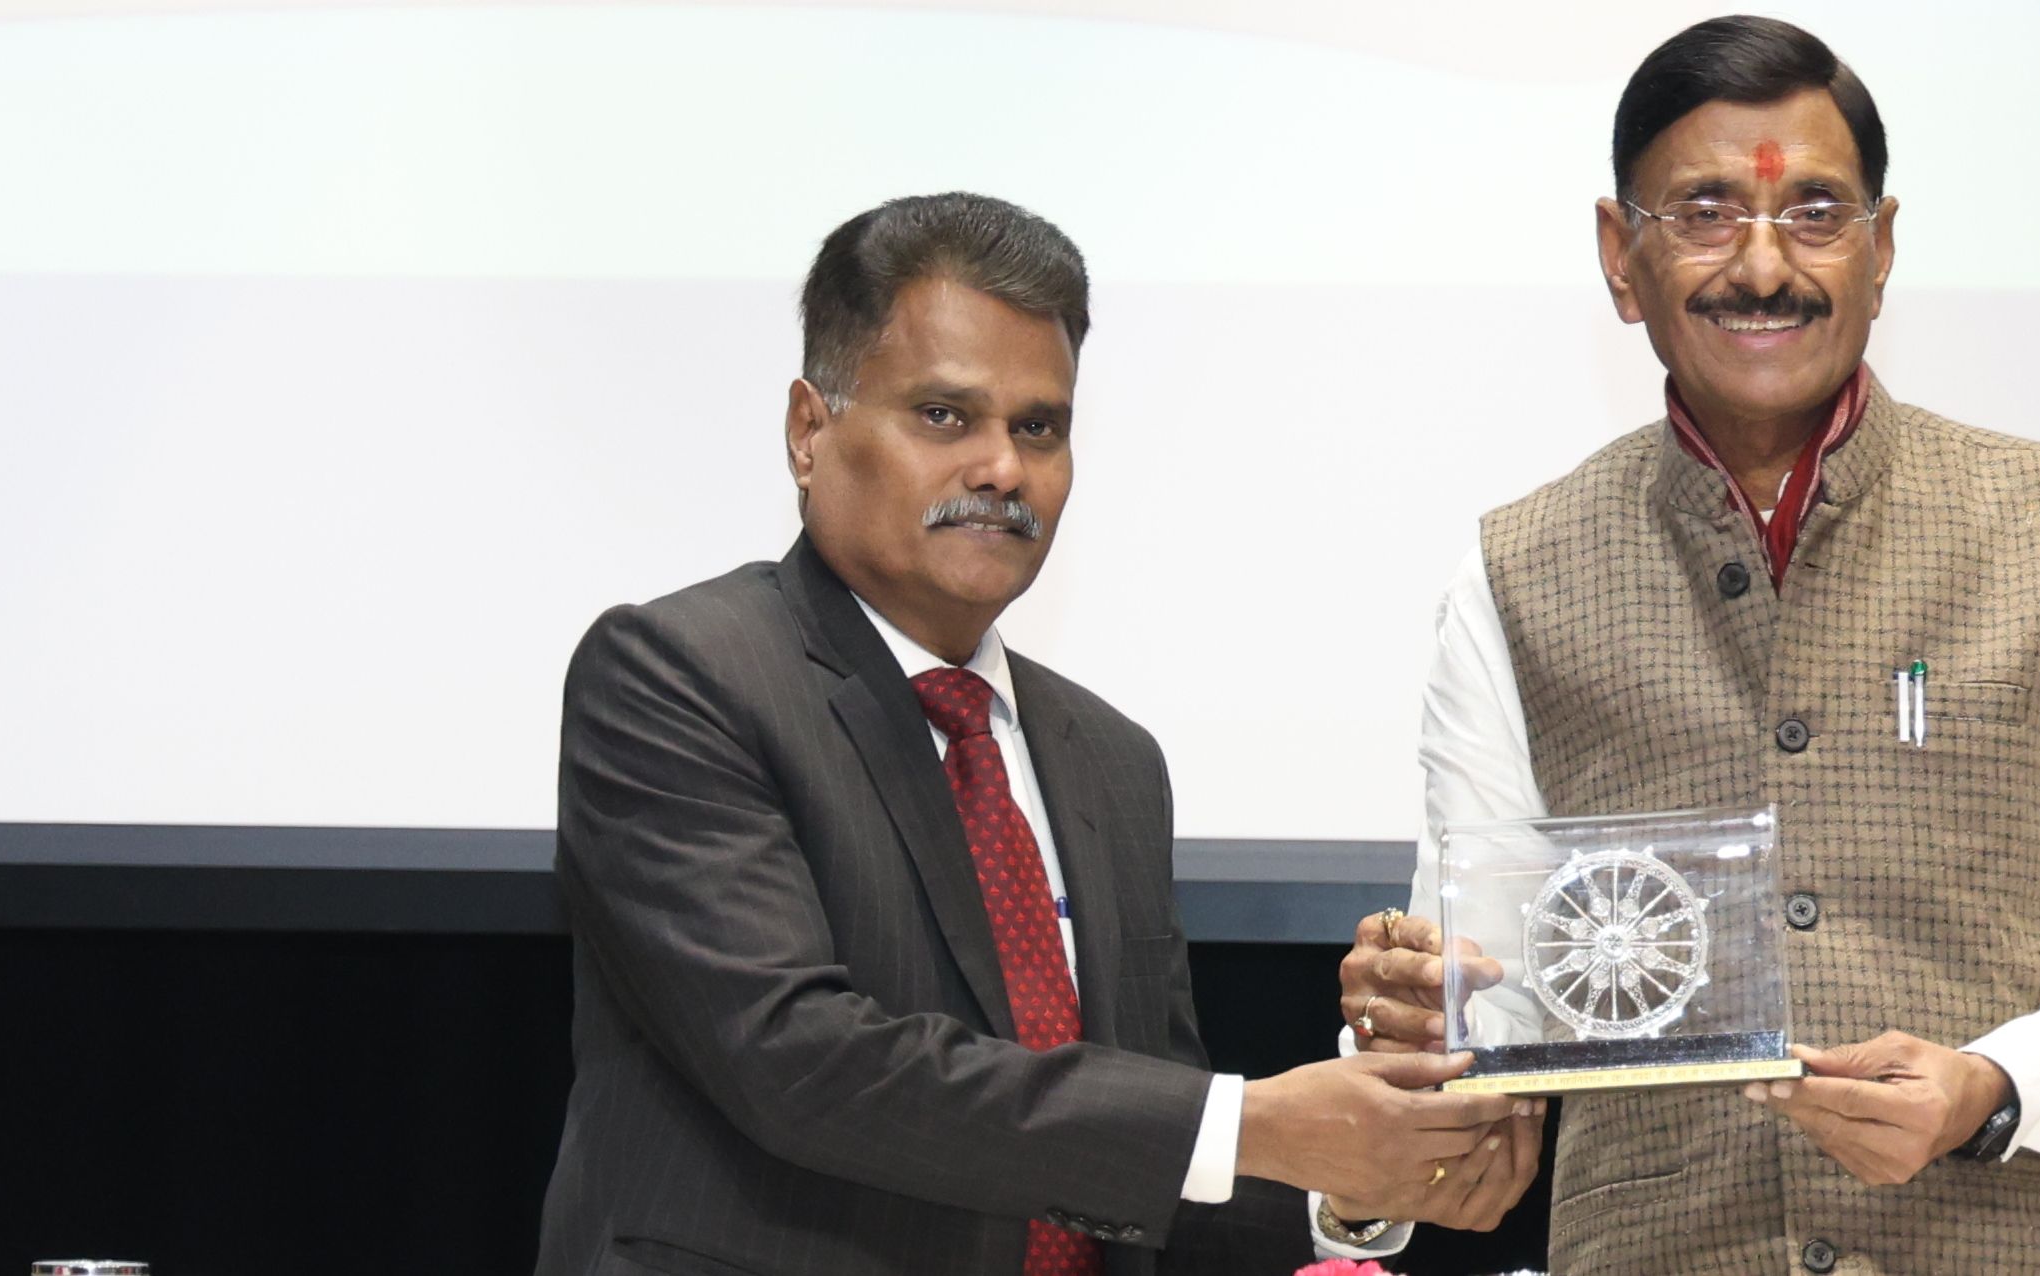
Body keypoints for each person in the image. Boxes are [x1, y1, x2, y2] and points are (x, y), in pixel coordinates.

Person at [1322, 18, 2040, 1275]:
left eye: (1816, 213)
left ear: (1881, 252)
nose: (1763, 266)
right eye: (1705, 212)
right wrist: (1409, 1036)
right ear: (1620, 259)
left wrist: (1992, 1083)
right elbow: (1489, 1008)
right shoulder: (1513, 576)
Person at [531, 192, 1541, 1276]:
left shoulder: (1108, 759)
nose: (1002, 469)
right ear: (809, 430)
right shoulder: (679, 674)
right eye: (942, 416)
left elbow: (1140, 1176)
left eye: (1037, 426)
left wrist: (1350, 1185)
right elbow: (802, 1065)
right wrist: (1253, 1123)